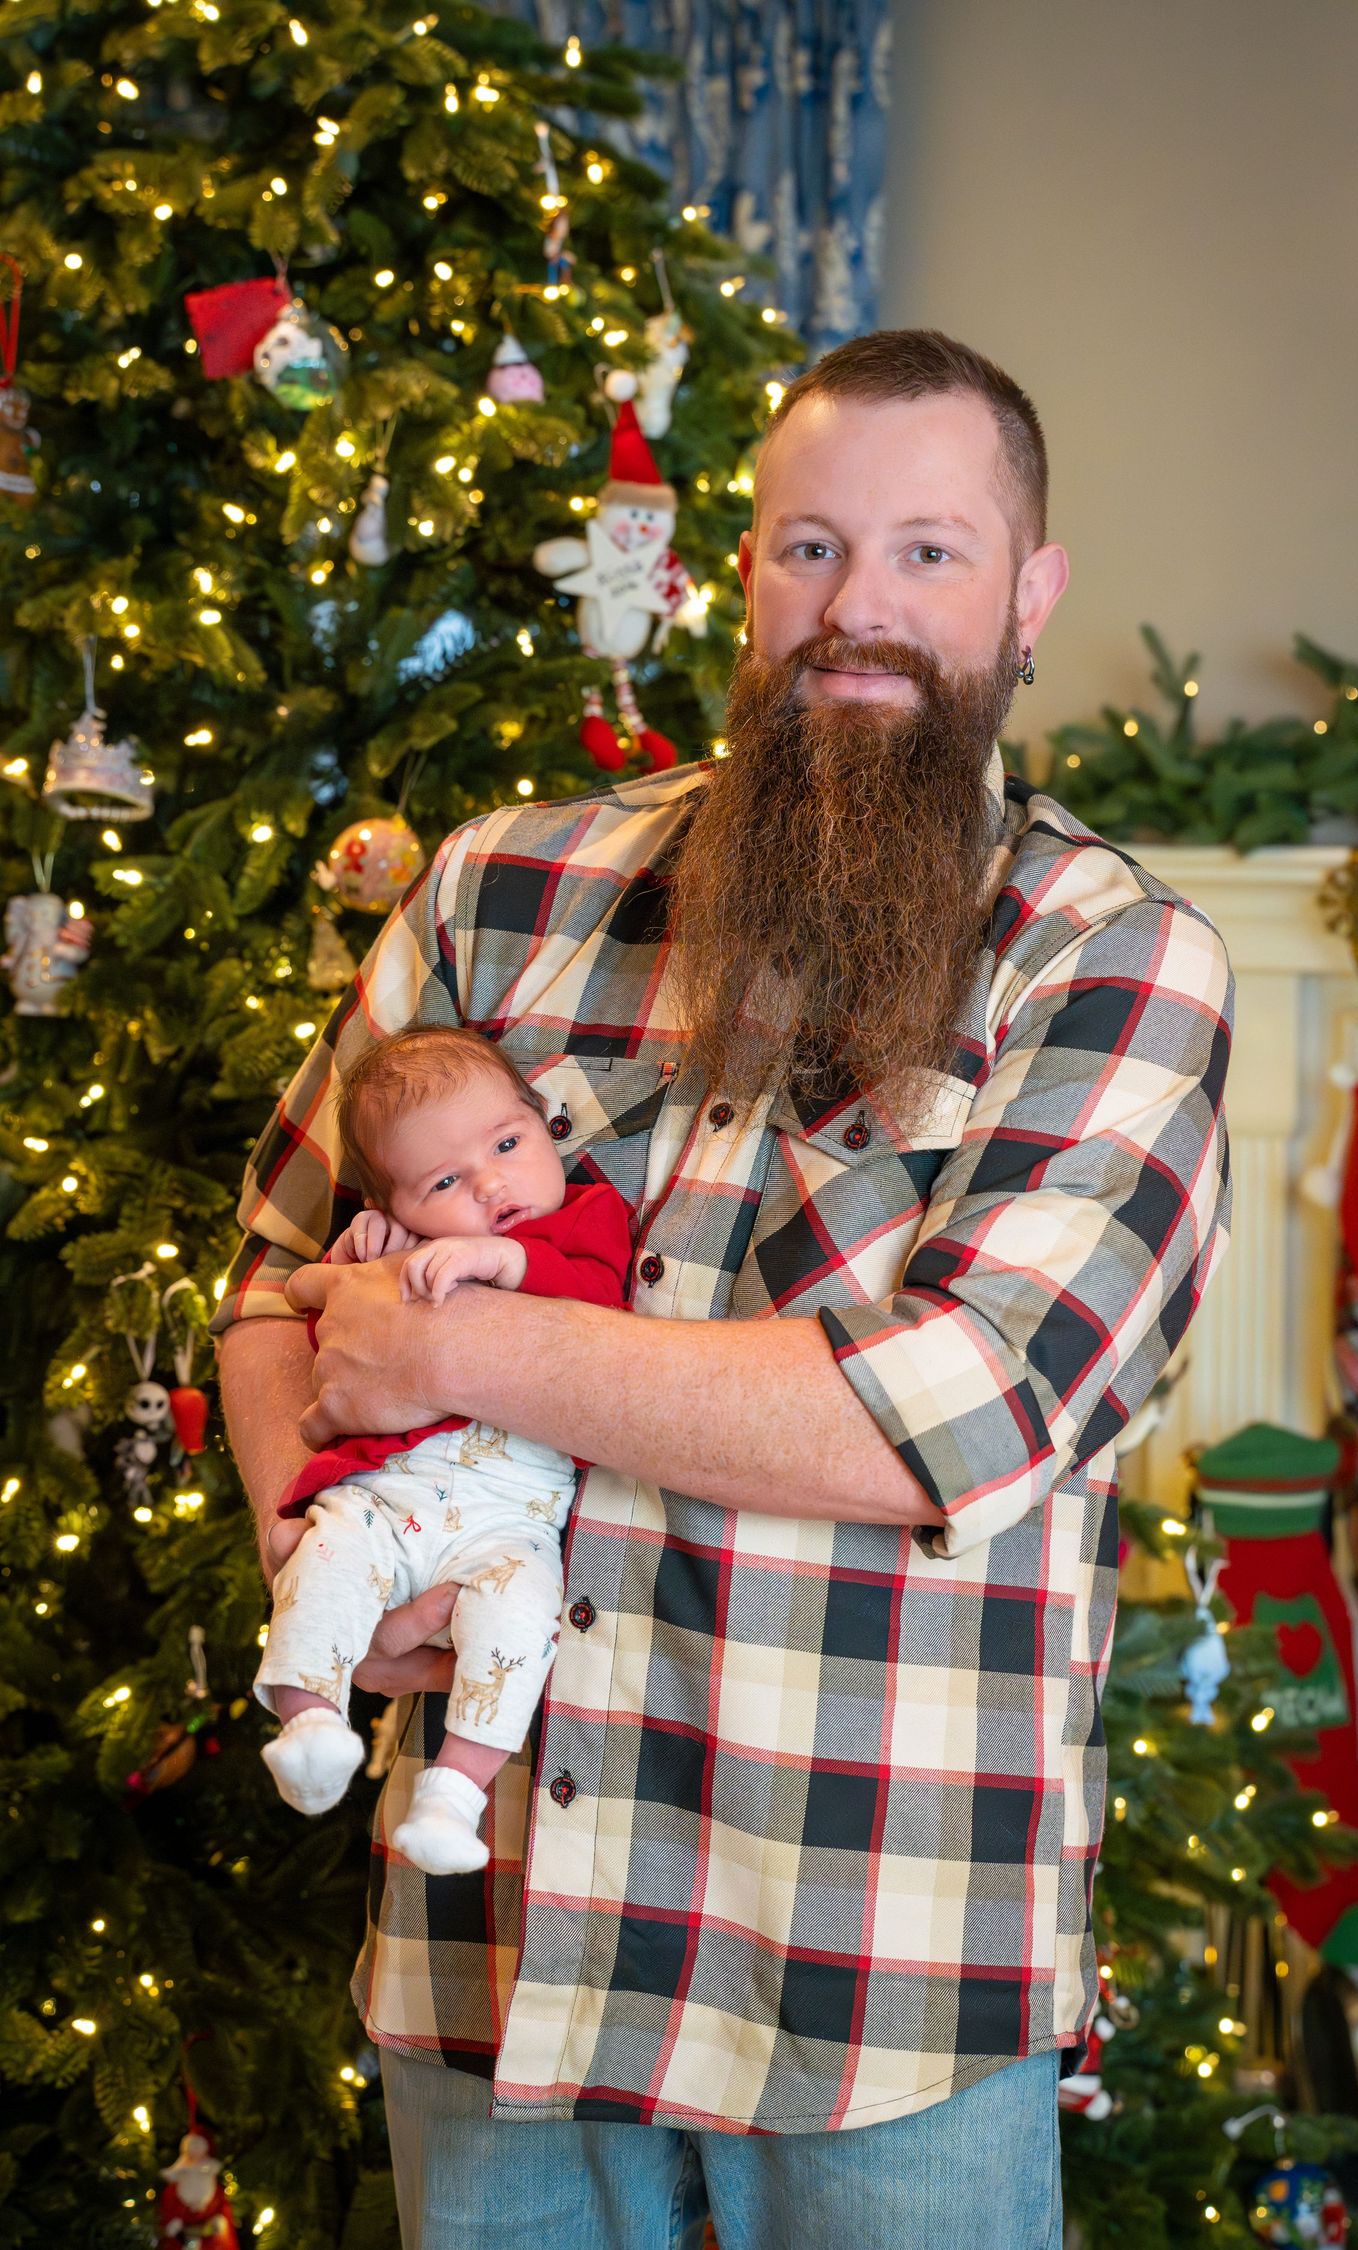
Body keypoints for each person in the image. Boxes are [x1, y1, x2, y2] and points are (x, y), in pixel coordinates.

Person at [214, 327, 1233, 2250]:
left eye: (929, 551)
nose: (859, 610)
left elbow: (950, 1414)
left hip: (876, 1977)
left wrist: (453, 1346)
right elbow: (274, 1286)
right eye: (812, 549)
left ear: (1031, 595)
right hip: (495, 1952)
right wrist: (313, 1550)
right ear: (743, 573)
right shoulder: (499, 892)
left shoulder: (1109, 961)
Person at [253, 1025, 634, 1875]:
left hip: (511, 1522)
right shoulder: (405, 1248)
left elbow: (600, 1297)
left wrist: (501, 1258)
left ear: (544, 1122)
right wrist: (361, 1263)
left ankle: (454, 1796)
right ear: (396, 1204)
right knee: (325, 1564)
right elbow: (334, 1357)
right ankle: (308, 1721)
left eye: (507, 1144)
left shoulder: (588, 1218)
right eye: (445, 1181)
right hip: (386, 1491)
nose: (491, 1184)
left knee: (520, 1622)